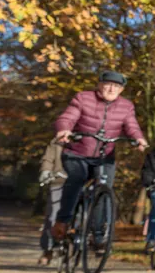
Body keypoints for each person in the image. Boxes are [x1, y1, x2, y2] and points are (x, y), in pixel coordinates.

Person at [51, 71, 148, 240]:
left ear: (121, 90)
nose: (111, 89)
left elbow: (131, 125)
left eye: (116, 86)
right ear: (99, 85)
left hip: (105, 155)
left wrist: (138, 138)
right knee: (76, 180)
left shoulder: (126, 106)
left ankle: (98, 234)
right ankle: (62, 222)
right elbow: (68, 116)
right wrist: (64, 129)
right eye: (108, 84)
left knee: (104, 189)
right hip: (77, 152)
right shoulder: (83, 98)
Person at [37, 139, 65, 265]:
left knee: (83, 213)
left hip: (80, 182)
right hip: (59, 180)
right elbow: (48, 158)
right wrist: (46, 170)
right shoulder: (59, 139)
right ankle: (47, 249)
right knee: (53, 215)